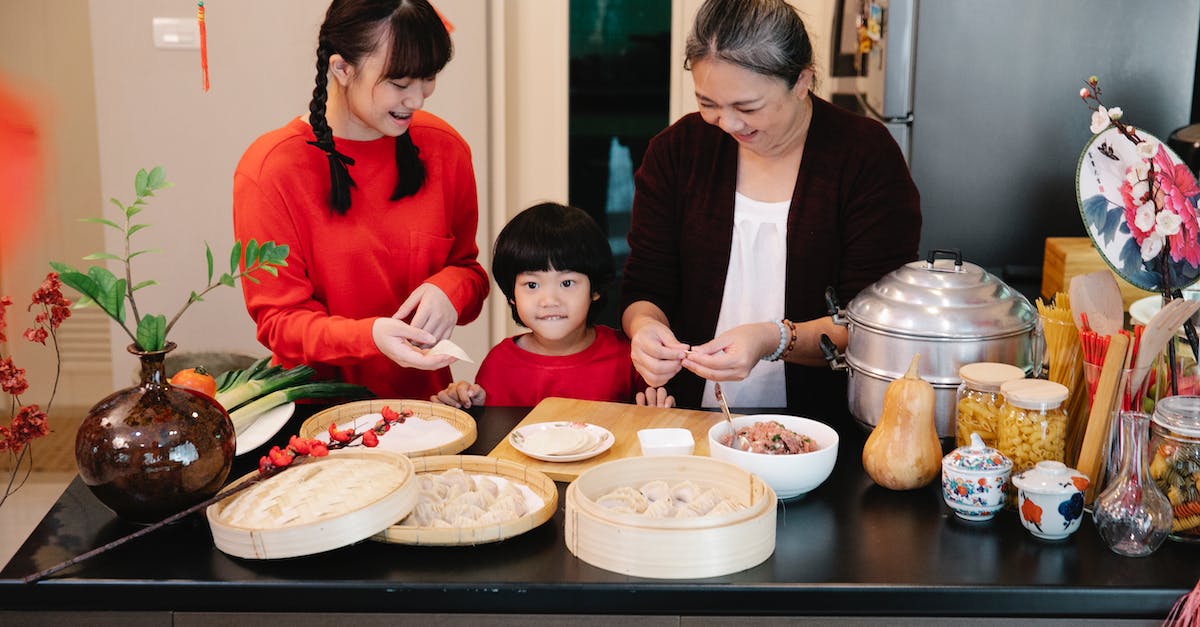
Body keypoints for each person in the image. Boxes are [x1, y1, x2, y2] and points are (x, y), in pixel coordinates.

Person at [621, 0, 921, 420]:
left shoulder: (865, 157)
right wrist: (645, 329)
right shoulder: (677, 151)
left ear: (801, 81)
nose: (726, 123)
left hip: (823, 428)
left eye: (747, 108)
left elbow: (873, 320)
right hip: (689, 416)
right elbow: (645, 287)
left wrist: (773, 339)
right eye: (708, 103)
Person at [233, 0, 488, 400]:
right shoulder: (271, 169)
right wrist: (369, 336)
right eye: (400, 84)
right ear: (341, 69)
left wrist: (449, 289)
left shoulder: (445, 149)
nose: (418, 100)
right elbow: (278, 322)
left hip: (426, 411)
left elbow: (469, 271)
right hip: (315, 415)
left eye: (428, 79)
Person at [433, 202, 673, 408]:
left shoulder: (627, 355)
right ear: (512, 295)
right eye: (532, 285)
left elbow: (648, 418)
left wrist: (655, 413)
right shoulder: (499, 363)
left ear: (596, 289)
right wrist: (467, 404)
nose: (549, 300)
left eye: (567, 282)